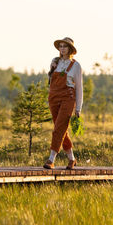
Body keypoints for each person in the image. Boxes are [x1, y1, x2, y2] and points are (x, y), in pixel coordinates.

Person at [43, 37, 83, 170]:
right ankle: (72, 159)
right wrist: (51, 69)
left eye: (65, 46)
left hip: (68, 98)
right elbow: (50, 82)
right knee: (61, 130)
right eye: (60, 46)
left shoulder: (76, 65)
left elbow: (79, 88)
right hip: (53, 97)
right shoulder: (56, 62)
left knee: (58, 128)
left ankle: (51, 159)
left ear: (70, 49)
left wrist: (78, 107)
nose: (62, 48)